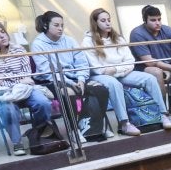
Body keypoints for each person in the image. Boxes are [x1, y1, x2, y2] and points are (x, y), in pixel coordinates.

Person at [84, 7, 171, 135]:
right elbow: (97, 69)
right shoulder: (88, 41)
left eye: (109, 20)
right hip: (101, 75)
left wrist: (116, 69)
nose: (108, 23)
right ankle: (125, 123)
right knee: (114, 84)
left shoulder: (118, 38)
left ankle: (162, 114)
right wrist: (115, 71)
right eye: (103, 20)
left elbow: (130, 61)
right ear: (96, 23)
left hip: (119, 72)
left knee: (149, 78)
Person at [0, 18, 56, 155]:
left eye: (2, 31)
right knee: (8, 108)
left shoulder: (18, 48)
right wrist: (14, 78)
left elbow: (27, 74)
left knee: (43, 102)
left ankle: (36, 132)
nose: (2, 35)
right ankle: (17, 142)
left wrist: (2, 76)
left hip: (21, 87)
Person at [30, 10, 111, 140]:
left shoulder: (69, 40)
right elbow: (47, 71)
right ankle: (74, 130)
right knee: (69, 93)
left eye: (62, 25)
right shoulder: (38, 44)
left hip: (75, 77)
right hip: (51, 80)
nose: (60, 28)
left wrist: (81, 79)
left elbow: (81, 62)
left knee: (101, 90)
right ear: (46, 25)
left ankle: (97, 124)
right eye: (56, 25)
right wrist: (72, 83)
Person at [129, 5, 171, 99]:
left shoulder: (168, 30)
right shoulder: (137, 33)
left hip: (169, 64)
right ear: (145, 21)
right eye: (153, 20)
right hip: (145, 67)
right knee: (157, 72)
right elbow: (149, 62)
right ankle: (163, 109)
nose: (157, 23)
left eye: (159, 19)